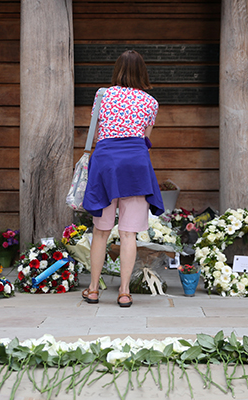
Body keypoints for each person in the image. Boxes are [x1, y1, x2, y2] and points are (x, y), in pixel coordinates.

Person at [81, 50, 164, 308]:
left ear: (117, 70)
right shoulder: (150, 102)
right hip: (136, 166)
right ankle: (125, 292)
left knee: (101, 231)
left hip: (106, 164)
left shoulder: (103, 95)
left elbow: (95, 133)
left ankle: (93, 290)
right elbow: (145, 138)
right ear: (143, 72)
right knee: (129, 234)